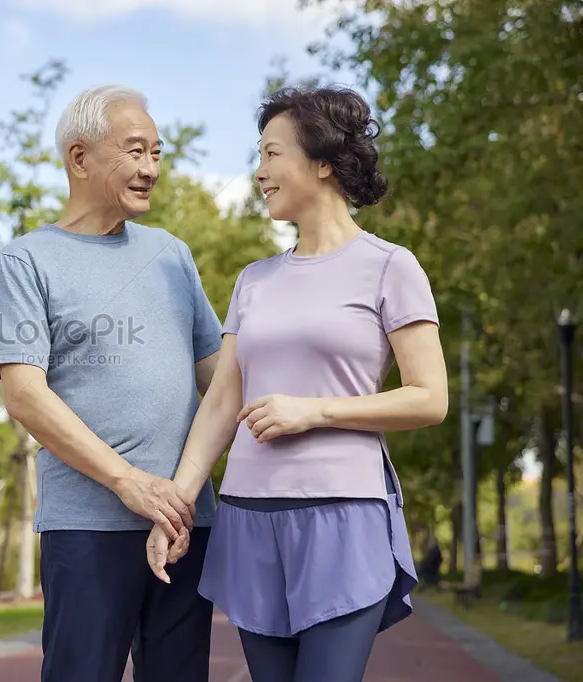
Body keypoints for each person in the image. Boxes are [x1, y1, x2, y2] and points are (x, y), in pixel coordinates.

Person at [146, 85, 449, 682]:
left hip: (344, 514)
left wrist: (314, 412)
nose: (259, 173)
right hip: (250, 517)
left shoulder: (391, 266)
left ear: (323, 162)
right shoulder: (254, 280)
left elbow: (429, 398)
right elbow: (221, 405)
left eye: (271, 154)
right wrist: (173, 508)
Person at [0, 85, 224, 682]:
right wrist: (129, 483)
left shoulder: (173, 254)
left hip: (185, 523)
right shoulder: (27, 260)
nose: (150, 169)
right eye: (135, 150)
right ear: (79, 157)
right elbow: (24, 395)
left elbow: (220, 380)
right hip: (87, 526)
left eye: (157, 153)